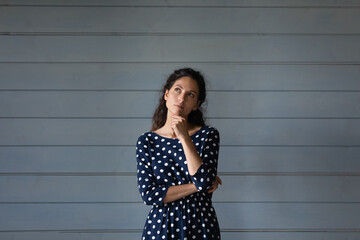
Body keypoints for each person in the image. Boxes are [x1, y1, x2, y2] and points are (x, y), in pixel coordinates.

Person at [136, 68, 222, 239]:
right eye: (178, 90)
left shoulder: (208, 136)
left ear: (196, 104)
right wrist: (196, 186)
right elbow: (149, 194)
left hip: (201, 225)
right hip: (161, 227)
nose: (182, 98)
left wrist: (184, 137)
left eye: (190, 95)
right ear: (166, 94)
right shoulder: (147, 141)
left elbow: (204, 181)